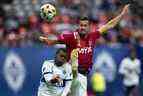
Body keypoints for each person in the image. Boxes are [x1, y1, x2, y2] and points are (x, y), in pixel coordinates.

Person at [39, 4, 130, 96]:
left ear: (89, 27)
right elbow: (54, 41)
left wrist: (122, 14)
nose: (82, 27)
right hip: (70, 74)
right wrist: (47, 40)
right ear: (78, 26)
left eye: (85, 25)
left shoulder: (92, 36)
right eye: (81, 25)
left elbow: (109, 25)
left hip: (83, 76)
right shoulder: (71, 37)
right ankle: (73, 67)